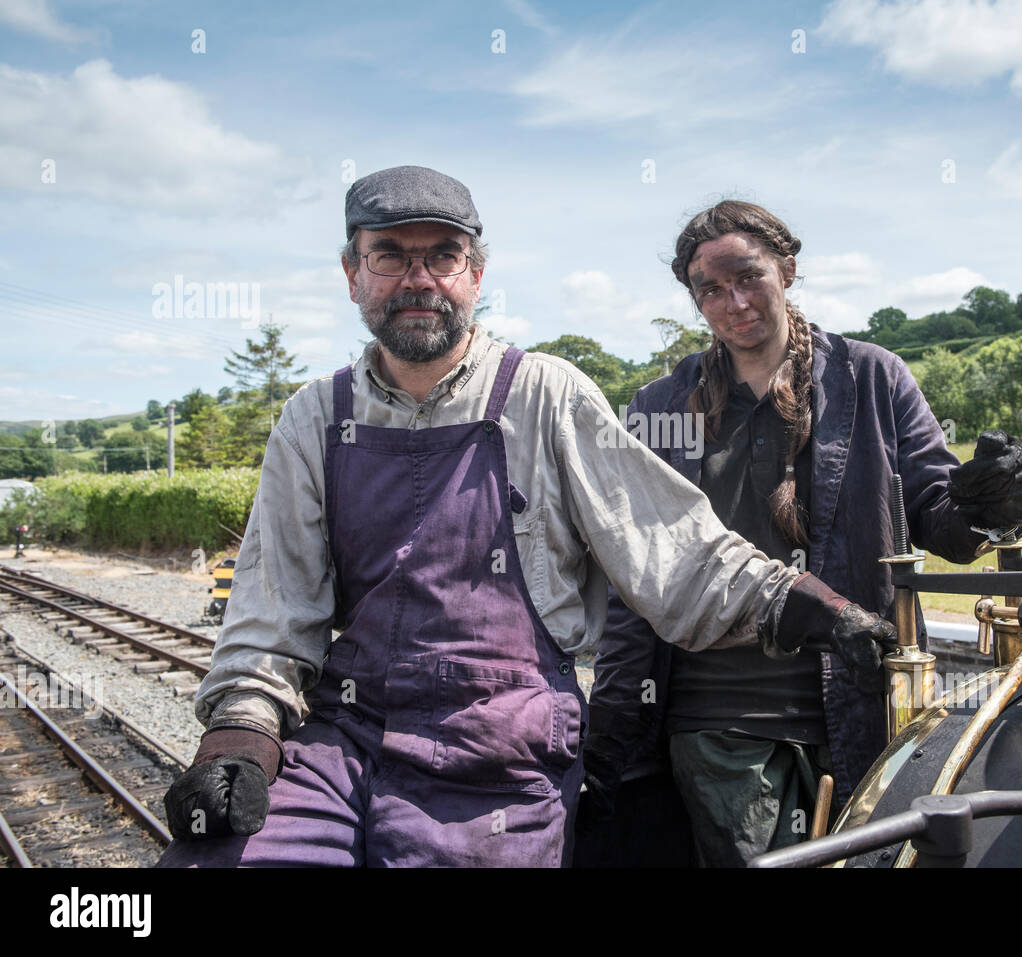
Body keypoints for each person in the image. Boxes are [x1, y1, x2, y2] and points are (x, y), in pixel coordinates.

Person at [155, 168, 899, 868]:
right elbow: (271, 613)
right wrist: (240, 736)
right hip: (343, 734)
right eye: (389, 255)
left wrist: (809, 606)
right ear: (353, 275)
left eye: (442, 256)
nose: (418, 279)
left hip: (500, 745)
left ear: (475, 275)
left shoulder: (545, 395)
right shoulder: (314, 419)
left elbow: (674, 549)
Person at [578, 201, 1022, 867]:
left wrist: (997, 503)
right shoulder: (659, 409)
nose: (734, 302)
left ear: (787, 269)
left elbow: (945, 521)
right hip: (718, 723)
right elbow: (635, 578)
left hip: (863, 700)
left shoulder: (873, 378)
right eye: (711, 289)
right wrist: (615, 729)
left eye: (749, 276)